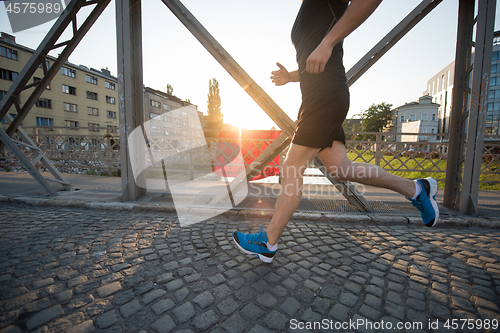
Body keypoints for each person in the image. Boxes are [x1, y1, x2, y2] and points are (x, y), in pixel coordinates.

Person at [232, 0, 439, 264]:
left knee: (292, 166)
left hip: (325, 96)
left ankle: (268, 241)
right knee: (341, 168)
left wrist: (328, 42)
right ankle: (417, 189)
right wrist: (290, 76)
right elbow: (315, 60)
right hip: (318, 97)